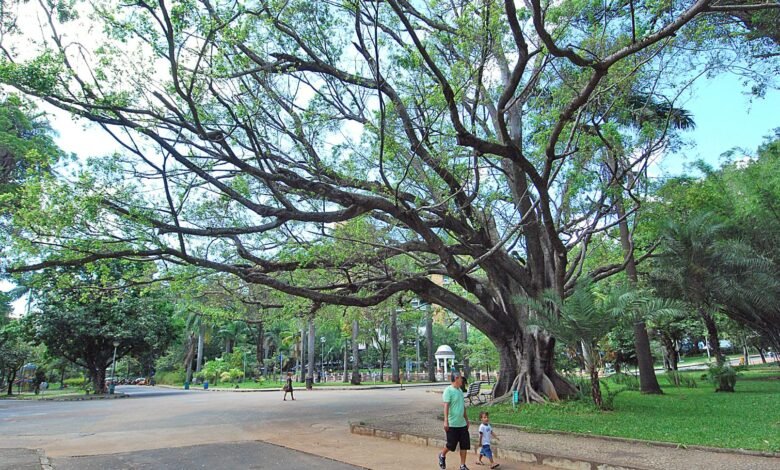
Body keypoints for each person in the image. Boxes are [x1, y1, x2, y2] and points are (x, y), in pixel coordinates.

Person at [439, 371, 470, 470]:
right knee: (451, 445)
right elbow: (446, 406)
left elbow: (463, 406)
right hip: (452, 424)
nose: (462, 380)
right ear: (456, 378)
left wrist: (467, 419)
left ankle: (462, 465)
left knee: (464, 445)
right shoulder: (448, 391)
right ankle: (442, 455)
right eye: (461, 378)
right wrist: (445, 421)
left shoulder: (460, 391)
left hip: (462, 424)